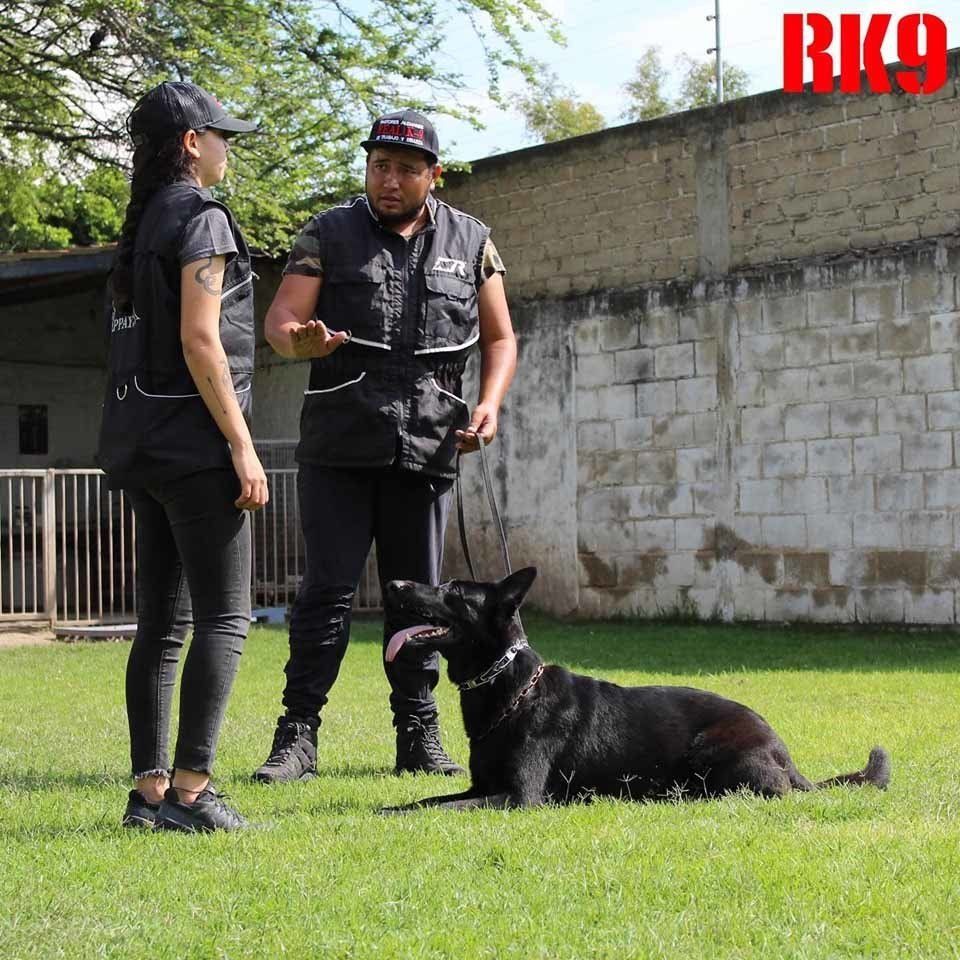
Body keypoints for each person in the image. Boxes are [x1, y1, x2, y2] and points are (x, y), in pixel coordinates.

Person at [253, 109, 517, 783]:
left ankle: (418, 734)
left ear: (434, 174)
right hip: (339, 448)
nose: (389, 180)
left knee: (420, 602)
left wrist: (488, 405)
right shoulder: (328, 233)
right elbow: (281, 319)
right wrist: (298, 340)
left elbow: (499, 339)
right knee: (326, 594)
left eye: (405, 169)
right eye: (379, 166)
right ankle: (298, 736)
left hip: (428, 448)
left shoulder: (473, 241)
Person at [97, 81, 268, 832]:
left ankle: (150, 795)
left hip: (140, 445)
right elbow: (202, 340)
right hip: (196, 449)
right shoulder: (203, 218)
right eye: (221, 135)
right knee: (225, 618)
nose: (228, 147)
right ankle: (194, 794)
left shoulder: (140, 230)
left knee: (161, 625)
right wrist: (241, 445)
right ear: (193, 143)